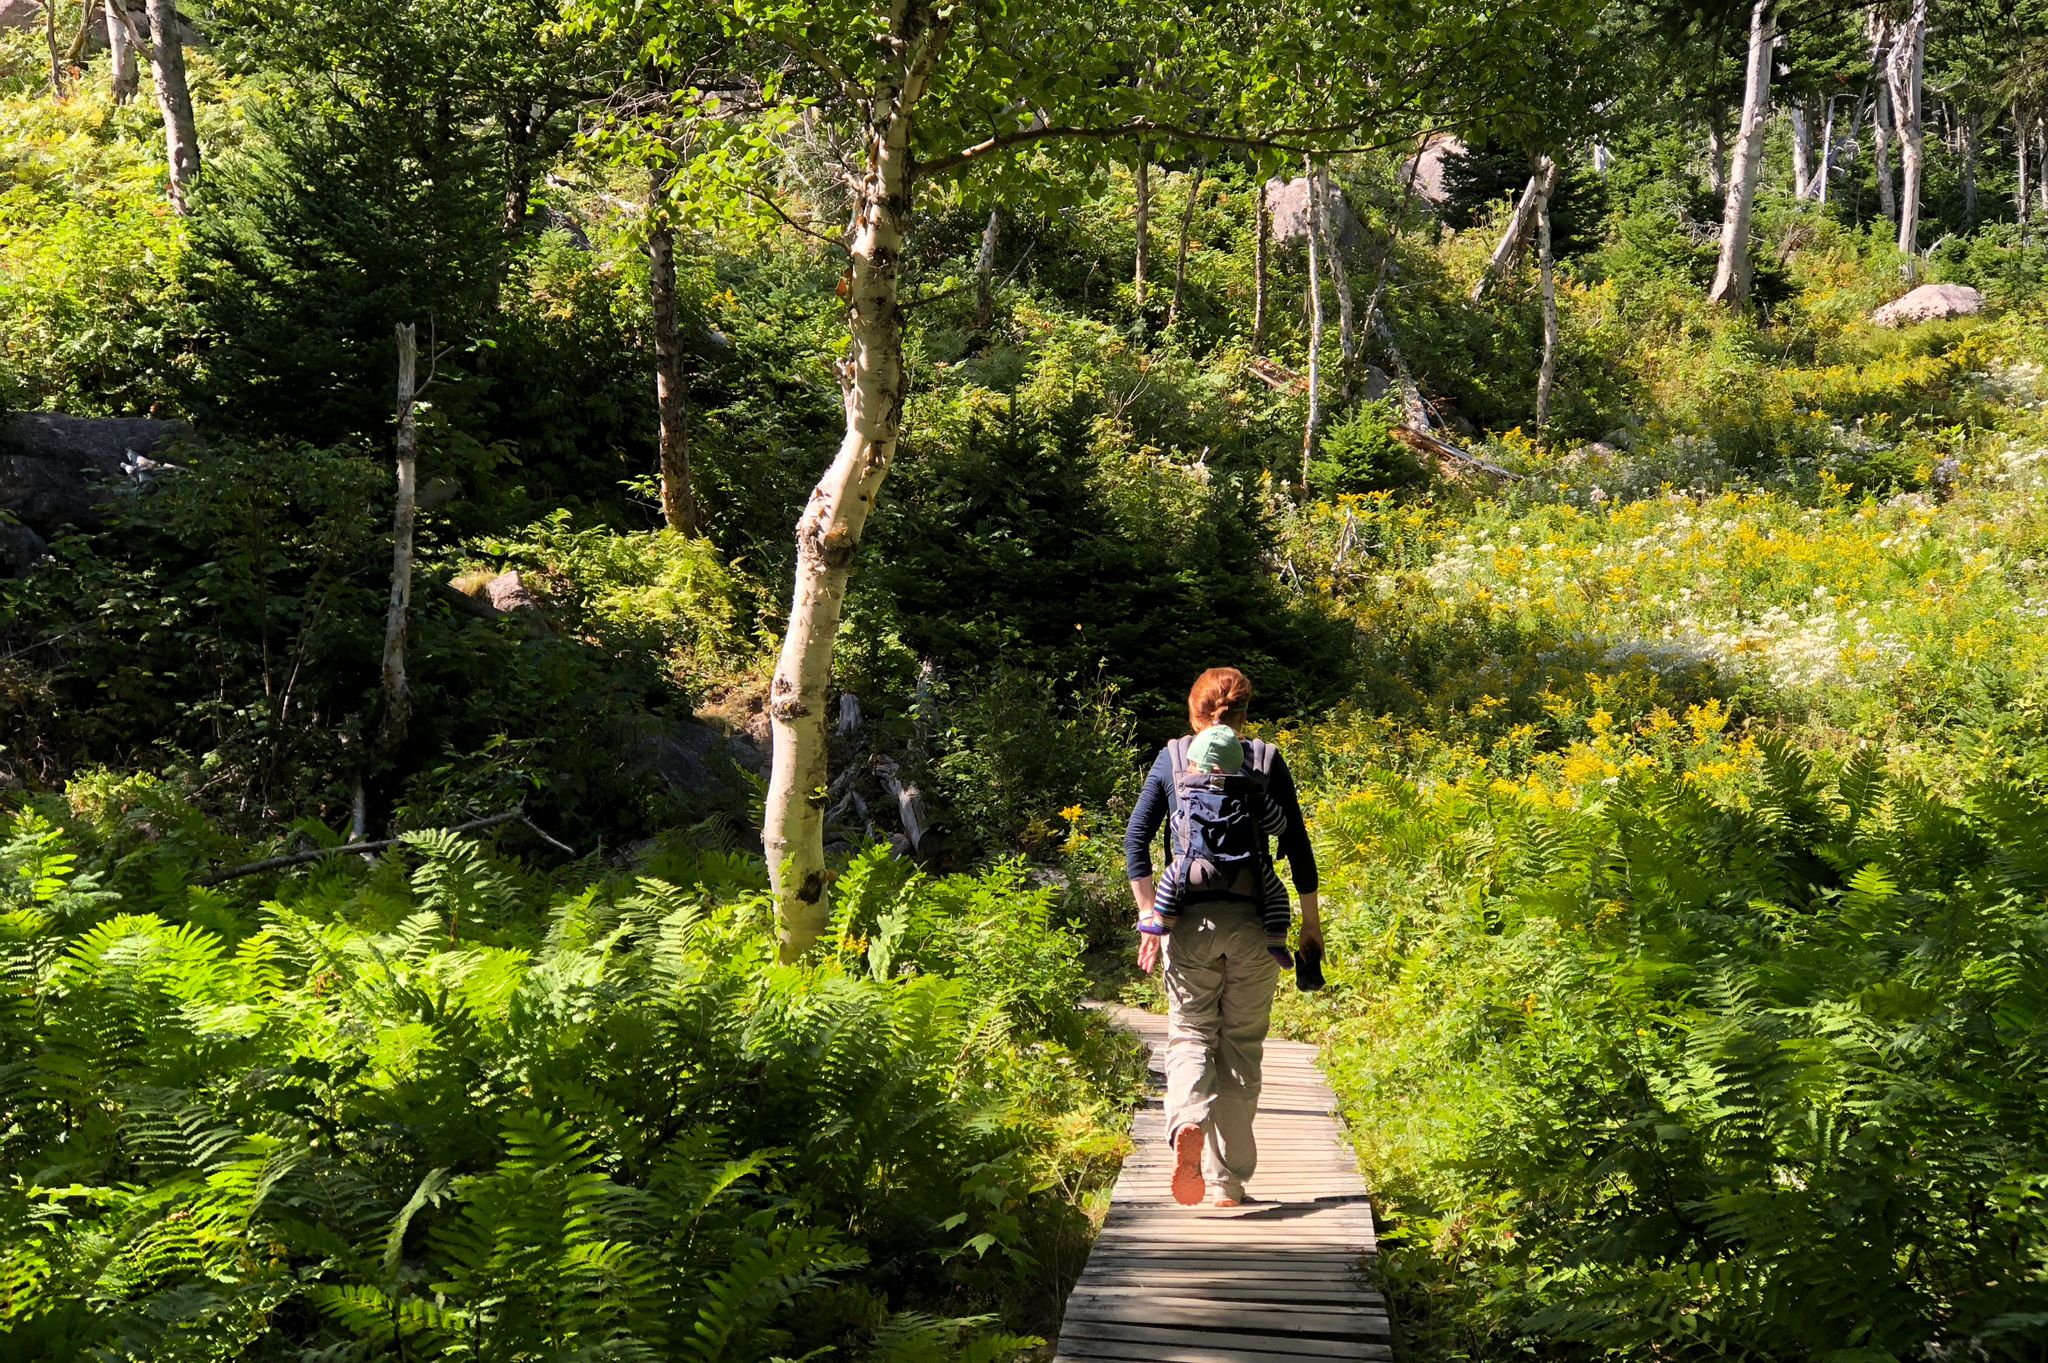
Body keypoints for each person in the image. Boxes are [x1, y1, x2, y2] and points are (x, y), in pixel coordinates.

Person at [1124, 666, 1322, 1207]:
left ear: (1194, 710)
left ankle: (1186, 1117)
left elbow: (1137, 838)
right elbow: (1298, 846)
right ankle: (1226, 1183)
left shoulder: (1171, 758)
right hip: (1258, 923)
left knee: (1190, 1033)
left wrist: (1150, 916)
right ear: (1243, 713)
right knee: (1240, 1047)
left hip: (1188, 921)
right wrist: (1309, 925)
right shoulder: (1264, 760)